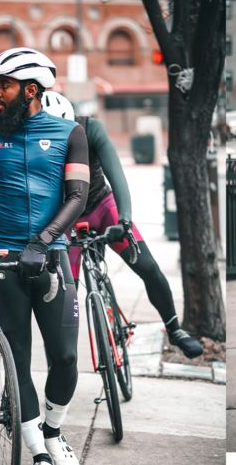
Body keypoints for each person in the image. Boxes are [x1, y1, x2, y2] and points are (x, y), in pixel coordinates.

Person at [0, 48, 89, 465]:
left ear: (29, 90)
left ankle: (52, 431)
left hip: (49, 260)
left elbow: (77, 196)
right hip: (3, 264)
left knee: (66, 358)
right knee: (17, 363)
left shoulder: (71, 133)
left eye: (4, 86)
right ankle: (37, 454)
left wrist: (43, 241)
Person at [40, 92, 205, 358]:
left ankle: (175, 329)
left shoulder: (91, 128)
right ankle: (61, 362)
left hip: (101, 206)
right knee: (64, 293)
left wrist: (124, 220)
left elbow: (117, 176)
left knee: (147, 265)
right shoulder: (32, 143)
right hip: (65, 220)